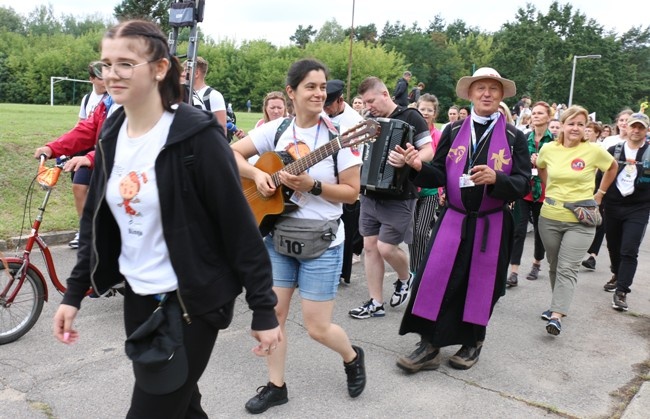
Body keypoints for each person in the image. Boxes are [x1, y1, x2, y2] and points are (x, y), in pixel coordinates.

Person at [51, 20, 281, 418]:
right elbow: (95, 220)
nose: (111, 74)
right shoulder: (112, 131)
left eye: (125, 63)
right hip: (139, 299)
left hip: (192, 302)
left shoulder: (197, 136)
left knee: (151, 410)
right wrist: (74, 294)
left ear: (160, 68)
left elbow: (238, 226)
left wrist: (263, 309)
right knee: (183, 404)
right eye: (106, 64)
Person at [231, 58, 366, 414]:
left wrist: (314, 186)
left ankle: (352, 356)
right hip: (277, 237)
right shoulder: (276, 130)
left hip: (321, 242)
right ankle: (276, 387)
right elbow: (230, 154)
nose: (319, 93)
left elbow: (352, 193)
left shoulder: (341, 136)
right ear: (291, 92)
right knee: (271, 317)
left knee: (317, 328)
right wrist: (257, 175)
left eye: (323, 87)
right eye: (311, 86)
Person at [395, 67, 530, 372]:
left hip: (491, 223)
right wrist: (416, 166)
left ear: (501, 96)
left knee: (481, 285)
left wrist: (498, 179)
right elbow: (440, 172)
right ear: (469, 94)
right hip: (452, 219)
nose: (486, 94)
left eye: (493, 89)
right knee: (436, 278)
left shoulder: (514, 136)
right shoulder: (454, 131)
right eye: (480, 88)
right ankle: (429, 345)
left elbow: (524, 184)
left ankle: (472, 342)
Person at [348, 76, 433, 320]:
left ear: (385, 94)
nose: (367, 106)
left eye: (371, 101)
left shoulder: (411, 116)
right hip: (369, 193)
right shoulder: (368, 121)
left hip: (400, 194)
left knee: (386, 248)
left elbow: (429, 150)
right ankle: (376, 302)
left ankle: (406, 278)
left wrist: (410, 158)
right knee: (370, 247)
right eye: (364, 102)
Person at [536, 105, 618, 336]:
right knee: (554, 265)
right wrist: (548, 189)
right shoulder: (549, 149)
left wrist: (600, 193)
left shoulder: (593, 150)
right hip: (550, 217)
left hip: (580, 220)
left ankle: (557, 316)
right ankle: (556, 305)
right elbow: (541, 167)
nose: (575, 128)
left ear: (586, 128)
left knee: (567, 267)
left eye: (580, 124)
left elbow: (612, 167)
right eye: (571, 123)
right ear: (561, 125)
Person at [601, 112, 650, 311]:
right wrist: (598, 197)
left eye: (641, 127)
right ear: (626, 128)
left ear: (646, 130)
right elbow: (601, 175)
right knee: (613, 245)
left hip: (638, 207)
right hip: (613, 204)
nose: (636, 130)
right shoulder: (614, 150)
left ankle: (621, 291)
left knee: (629, 249)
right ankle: (616, 272)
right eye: (633, 126)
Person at [506, 101, 554, 287]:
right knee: (518, 230)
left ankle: (536, 263)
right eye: (534, 112)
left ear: (548, 117)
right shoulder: (524, 138)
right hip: (524, 191)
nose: (536, 116)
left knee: (541, 232)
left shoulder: (554, 142)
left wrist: (541, 161)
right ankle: (514, 271)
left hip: (544, 192)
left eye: (541, 113)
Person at [323, 79, 365, 285]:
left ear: (340, 100)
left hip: (348, 176)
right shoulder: (323, 114)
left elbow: (359, 154)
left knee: (348, 228)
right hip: (325, 175)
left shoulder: (355, 120)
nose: (325, 108)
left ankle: (342, 271)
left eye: (328, 104)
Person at [71, 64, 108, 248]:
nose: (105, 81)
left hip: (106, 152)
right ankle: (85, 230)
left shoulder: (114, 98)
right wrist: (60, 149)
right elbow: (82, 127)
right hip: (89, 152)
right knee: (78, 186)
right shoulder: (87, 99)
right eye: (100, 77)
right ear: (91, 79)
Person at [409, 93, 443, 275]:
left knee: (422, 232)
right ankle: (414, 271)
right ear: (416, 109)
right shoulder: (411, 132)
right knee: (412, 234)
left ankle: (420, 271)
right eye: (422, 109)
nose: (426, 113)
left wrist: (443, 190)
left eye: (430, 110)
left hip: (430, 191)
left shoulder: (438, 135)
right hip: (412, 189)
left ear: (435, 113)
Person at [184, 56, 228, 135]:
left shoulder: (214, 95)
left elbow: (221, 128)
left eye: (186, 70)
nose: (183, 74)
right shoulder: (185, 93)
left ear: (196, 73)